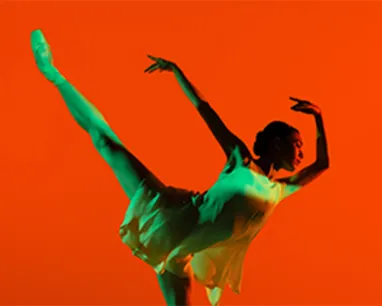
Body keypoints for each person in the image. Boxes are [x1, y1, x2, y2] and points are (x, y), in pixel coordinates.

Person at [31, 29, 329, 306]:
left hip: (180, 255)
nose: (302, 151)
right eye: (297, 143)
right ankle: (53, 73)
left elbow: (323, 164)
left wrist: (319, 117)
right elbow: (205, 109)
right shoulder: (241, 160)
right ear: (276, 143)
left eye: (302, 146)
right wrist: (176, 71)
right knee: (107, 143)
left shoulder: (279, 190)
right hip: (170, 213)